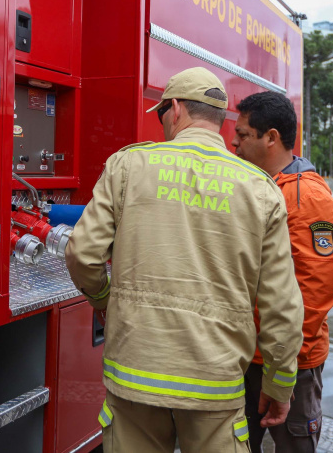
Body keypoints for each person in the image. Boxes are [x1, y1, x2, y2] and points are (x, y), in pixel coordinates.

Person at [65, 67, 304, 453]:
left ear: (174, 109)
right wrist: (279, 383)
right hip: (215, 382)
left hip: (134, 375)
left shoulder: (127, 166)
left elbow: (82, 254)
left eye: (162, 115)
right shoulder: (260, 188)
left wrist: (106, 299)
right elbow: (283, 305)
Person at [231, 91, 333, 452]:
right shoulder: (265, 186)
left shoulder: (306, 197)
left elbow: (314, 292)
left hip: (287, 364)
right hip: (249, 356)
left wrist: (282, 370)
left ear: (272, 137)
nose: (233, 142)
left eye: (243, 134)